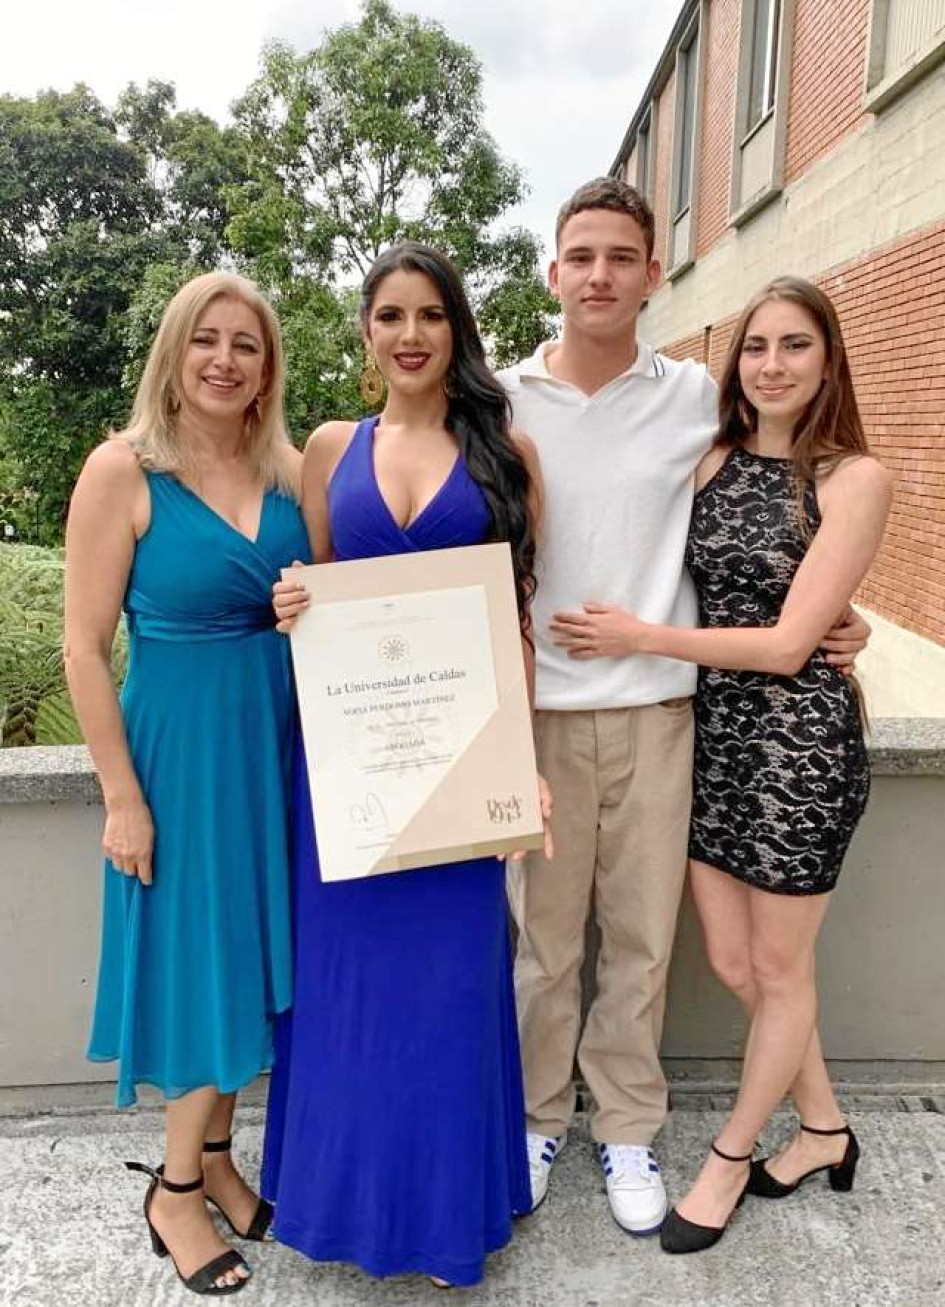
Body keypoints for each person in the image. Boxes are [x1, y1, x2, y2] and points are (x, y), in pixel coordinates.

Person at [498, 178, 870, 1235]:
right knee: (542, 944)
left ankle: (626, 1125)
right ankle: (535, 1117)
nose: (600, 275)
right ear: (553, 270)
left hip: (668, 715)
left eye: (622, 257)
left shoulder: (700, 399)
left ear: (654, 274)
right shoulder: (502, 396)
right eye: (582, 256)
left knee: (642, 945)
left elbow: (790, 508)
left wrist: (849, 619)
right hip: (541, 715)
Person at [264, 241, 549, 1288]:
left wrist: (523, 764)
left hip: (461, 768)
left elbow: (516, 621)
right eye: (391, 315)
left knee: (447, 991)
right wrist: (294, 599)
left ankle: (441, 1217)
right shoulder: (330, 448)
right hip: (345, 770)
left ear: (457, 329)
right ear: (367, 330)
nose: (412, 335)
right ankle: (339, 1202)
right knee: (346, 992)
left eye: (431, 315)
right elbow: (322, 601)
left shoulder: (505, 454)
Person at [65, 272, 309, 1295]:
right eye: (205, 339)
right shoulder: (122, 471)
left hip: (277, 747)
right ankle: (172, 1187)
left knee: (253, 959)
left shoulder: (291, 468)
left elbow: (363, 584)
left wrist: (316, 599)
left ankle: (215, 1156)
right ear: (174, 351)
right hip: (180, 755)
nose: (224, 358)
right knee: (203, 960)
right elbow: (82, 647)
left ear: (267, 365)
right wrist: (121, 794)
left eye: (245, 344)